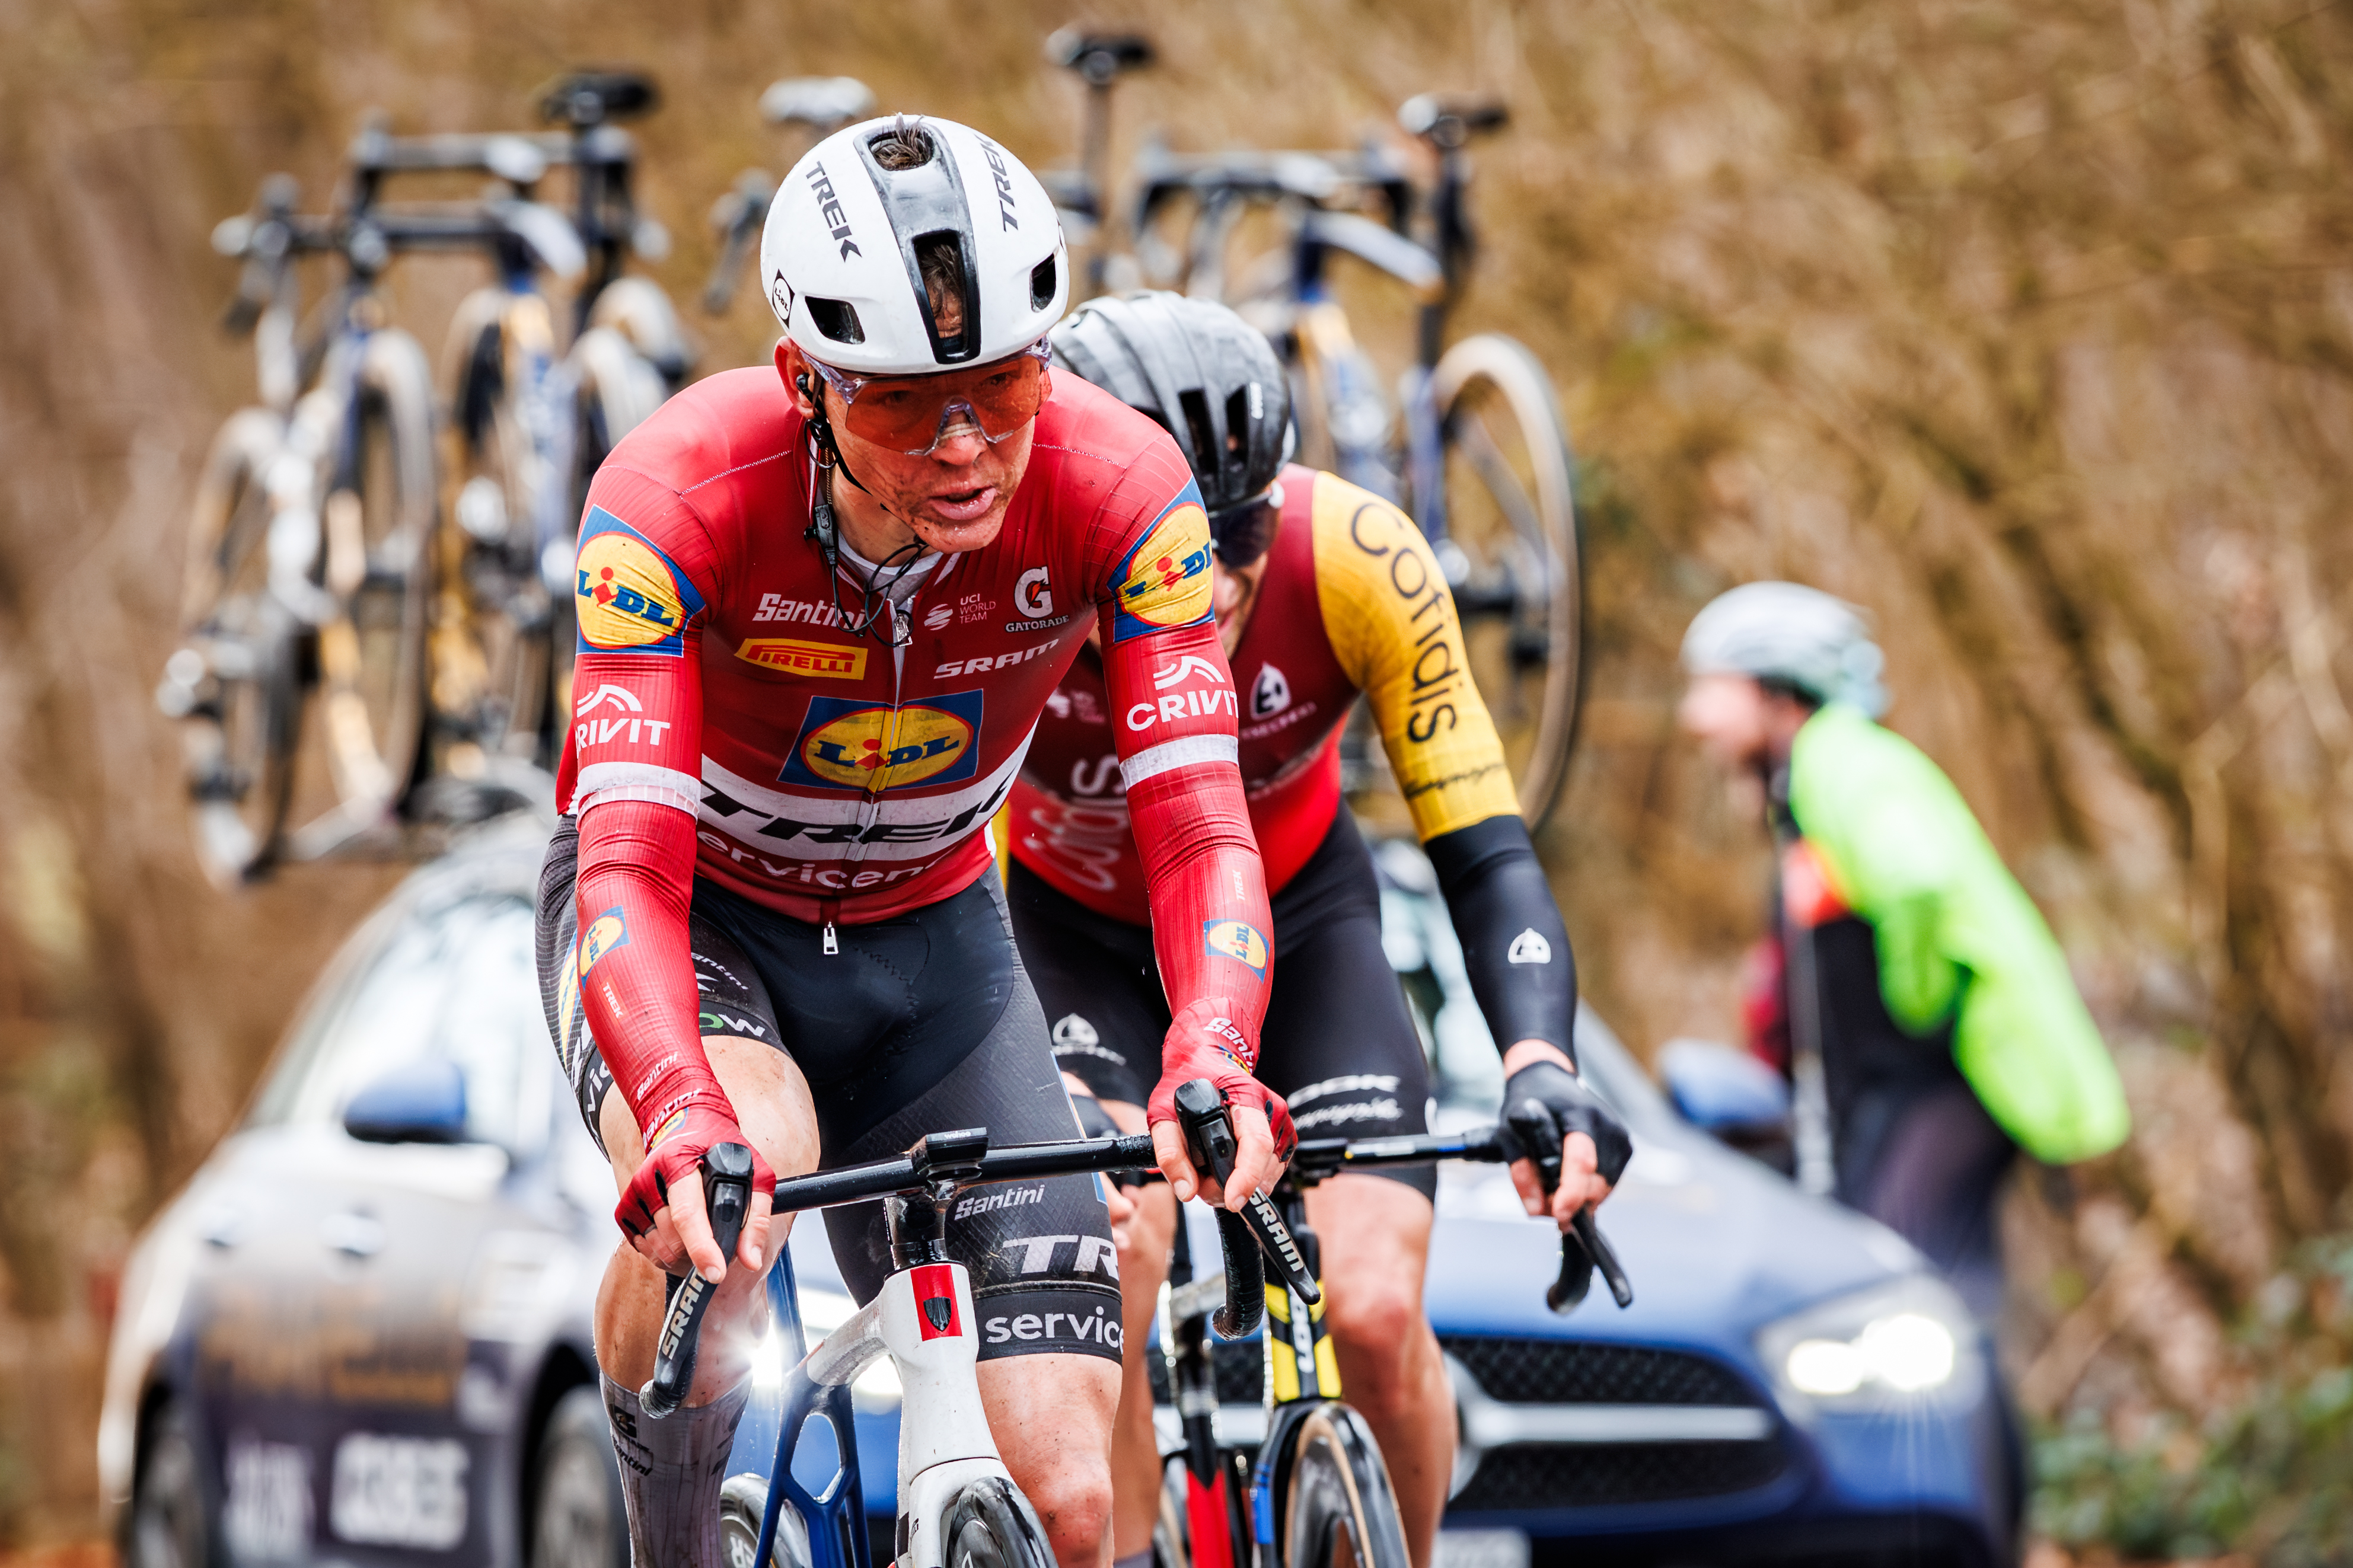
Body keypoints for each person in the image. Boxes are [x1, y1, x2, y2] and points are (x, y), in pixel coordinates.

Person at [535, 119, 1297, 1568]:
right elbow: (626, 862)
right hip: (702, 919)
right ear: (804, 386)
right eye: (901, 407)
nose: (962, 448)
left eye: (1002, 384)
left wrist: (1211, 1041)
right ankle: (672, 1538)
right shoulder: (670, 498)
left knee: (1071, 1503)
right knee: (741, 1181)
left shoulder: (1125, 491)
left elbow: (1196, 823)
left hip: (935, 941)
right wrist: (677, 1104)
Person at [1005, 292, 1631, 1568]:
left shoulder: (1355, 558)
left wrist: (1537, 1061)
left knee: (1378, 1307)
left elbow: (1486, 851)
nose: (1222, 583)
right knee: (1108, 1256)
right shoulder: (994, 587)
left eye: (1242, 537)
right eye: (1182, 545)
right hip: (1076, 941)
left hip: (1301, 926)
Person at [1676, 581, 2130, 1317]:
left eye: (1709, 688)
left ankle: (1945, 1430)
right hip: (1942, 1076)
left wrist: (1911, 1001)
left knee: (1897, 1282)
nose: (1691, 717)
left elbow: (1915, 883)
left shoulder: (1839, 760)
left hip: (1964, 1066)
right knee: (1944, 1282)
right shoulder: (1813, 774)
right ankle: (1981, 1429)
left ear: (1773, 689)